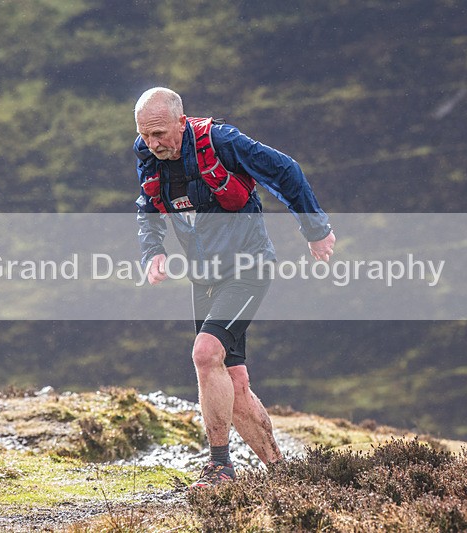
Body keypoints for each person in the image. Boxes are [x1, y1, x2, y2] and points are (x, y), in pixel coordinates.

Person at [133, 87, 335, 489]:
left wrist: (315, 229)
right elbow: (147, 208)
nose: (152, 143)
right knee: (233, 381)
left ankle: (220, 467)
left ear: (180, 120)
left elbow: (285, 171)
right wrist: (152, 251)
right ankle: (283, 474)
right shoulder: (147, 154)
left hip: (248, 267)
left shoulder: (221, 141)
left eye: (159, 133)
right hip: (203, 277)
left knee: (205, 353)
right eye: (144, 135)